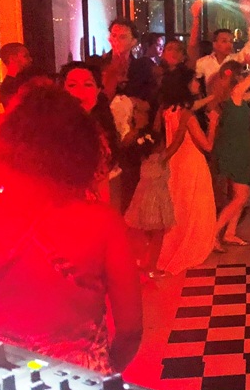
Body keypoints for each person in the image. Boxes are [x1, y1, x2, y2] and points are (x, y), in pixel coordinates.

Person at [0, 84, 143, 371]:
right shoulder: (102, 223)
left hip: (6, 373)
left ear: (5, 149)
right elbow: (130, 329)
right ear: (80, 152)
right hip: (83, 376)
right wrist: (104, 366)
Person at [156, 70, 219, 275]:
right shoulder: (188, 116)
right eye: (193, 81)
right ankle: (193, 246)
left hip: (174, 163)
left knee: (179, 205)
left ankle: (173, 246)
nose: (197, 83)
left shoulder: (167, 111)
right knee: (196, 207)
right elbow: (207, 145)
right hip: (192, 163)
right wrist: (213, 124)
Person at [124, 111, 185, 279]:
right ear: (158, 145)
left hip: (141, 196)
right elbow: (177, 141)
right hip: (156, 200)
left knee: (143, 233)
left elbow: (153, 133)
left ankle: (140, 262)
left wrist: (157, 115)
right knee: (157, 235)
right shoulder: (161, 158)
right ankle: (151, 268)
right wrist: (184, 122)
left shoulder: (144, 157)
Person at [211, 59, 250, 249]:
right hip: (236, 150)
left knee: (242, 194)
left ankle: (230, 233)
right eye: (242, 74)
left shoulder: (235, 97)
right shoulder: (235, 94)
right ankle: (213, 234)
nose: (245, 77)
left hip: (240, 149)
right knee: (241, 196)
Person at [60, 61, 120, 201]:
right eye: (72, 85)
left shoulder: (103, 128)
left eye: (88, 85)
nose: (80, 92)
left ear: (98, 90)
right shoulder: (54, 130)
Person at [193, 0, 250, 91]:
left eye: (231, 41)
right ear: (215, 44)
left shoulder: (236, 60)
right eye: (224, 41)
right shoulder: (203, 63)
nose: (229, 44)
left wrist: (248, 15)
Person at [100, 18, 157, 103]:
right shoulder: (99, 64)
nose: (116, 40)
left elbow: (149, 99)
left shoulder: (142, 68)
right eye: (114, 36)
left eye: (122, 37)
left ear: (133, 41)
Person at [0, 42, 32, 108]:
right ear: (12, 59)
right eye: (25, 56)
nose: (30, 59)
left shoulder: (25, 79)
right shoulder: (7, 87)